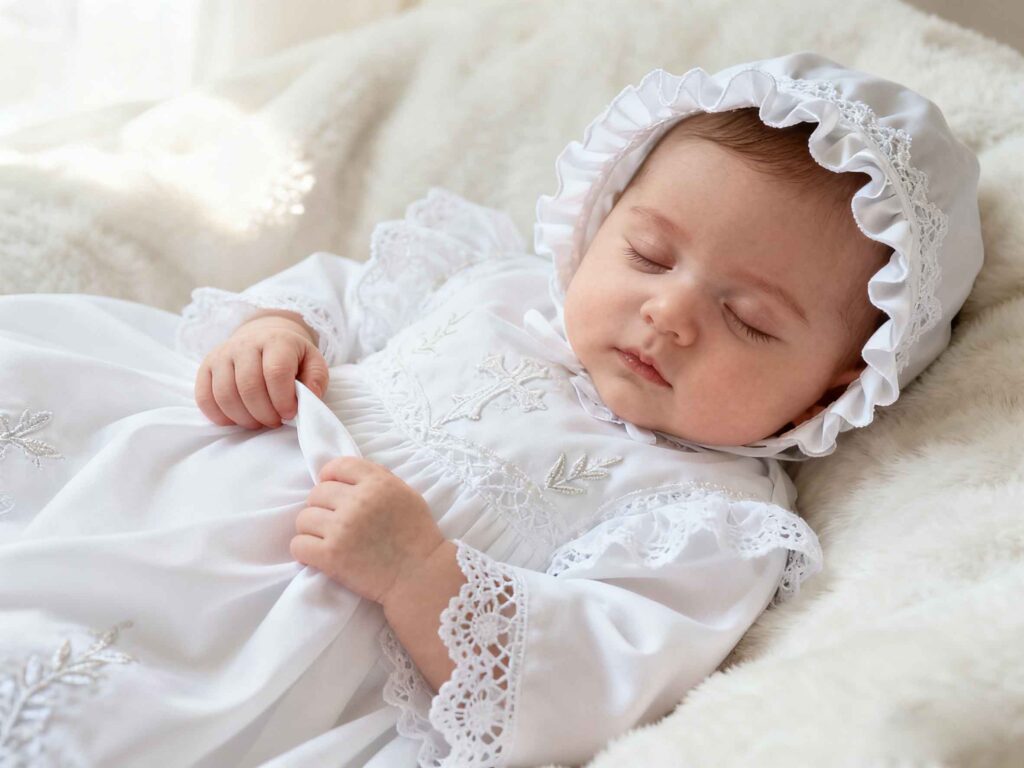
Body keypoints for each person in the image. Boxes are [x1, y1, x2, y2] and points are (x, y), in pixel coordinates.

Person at [0, 52, 983, 768]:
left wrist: (427, 575)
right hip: (184, 480)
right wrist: (274, 330)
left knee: (93, 705)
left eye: (749, 318)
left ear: (833, 388)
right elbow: (343, 297)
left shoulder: (710, 516)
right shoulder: (493, 286)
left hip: (291, 631)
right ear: (597, 222)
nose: (670, 313)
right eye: (647, 254)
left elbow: (596, 676)